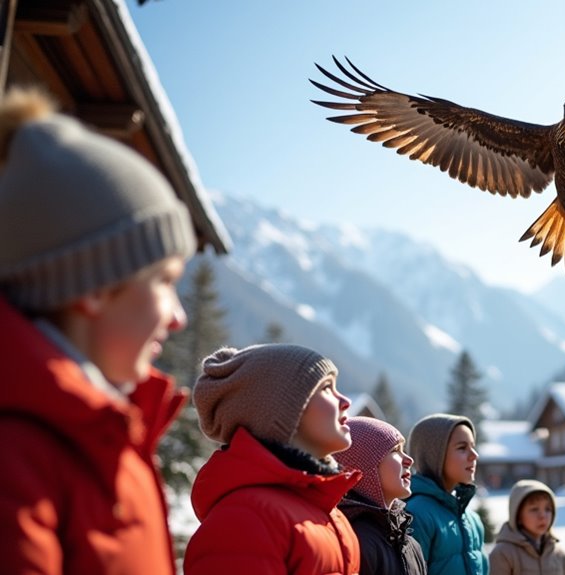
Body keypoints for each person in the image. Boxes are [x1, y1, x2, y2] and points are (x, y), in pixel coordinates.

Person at [0, 87, 197, 573]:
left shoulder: (110, 435)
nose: (178, 317)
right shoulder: (17, 463)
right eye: (164, 282)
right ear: (95, 288)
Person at [185, 344, 361, 574]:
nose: (345, 401)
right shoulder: (244, 521)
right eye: (326, 387)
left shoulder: (331, 515)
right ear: (282, 408)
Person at [333, 416, 427, 575]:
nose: (409, 460)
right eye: (395, 450)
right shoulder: (357, 541)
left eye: (403, 450)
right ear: (362, 465)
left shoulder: (409, 543)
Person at [405, 413, 488, 575]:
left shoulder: (472, 519)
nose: (474, 455)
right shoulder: (416, 515)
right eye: (462, 448)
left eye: (473, 446)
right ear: (434, 455)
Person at [489, 479, 565, 575]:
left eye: (547, 509)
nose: (542, 516)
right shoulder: (503, 554)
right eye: (534, 509)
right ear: (517, 515)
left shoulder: (560, 556)